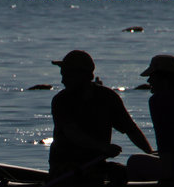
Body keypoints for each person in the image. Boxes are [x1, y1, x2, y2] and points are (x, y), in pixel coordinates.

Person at [48, 50, 154, 180]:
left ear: (83, 75)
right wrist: (103, 147)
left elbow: (131, 129)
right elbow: (72, 133)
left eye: (67, 75)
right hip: (65, 167)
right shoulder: (61, 100)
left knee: (124, 173)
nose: (63, 81)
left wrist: (151, 154)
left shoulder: (108, 97)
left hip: (97, 165)